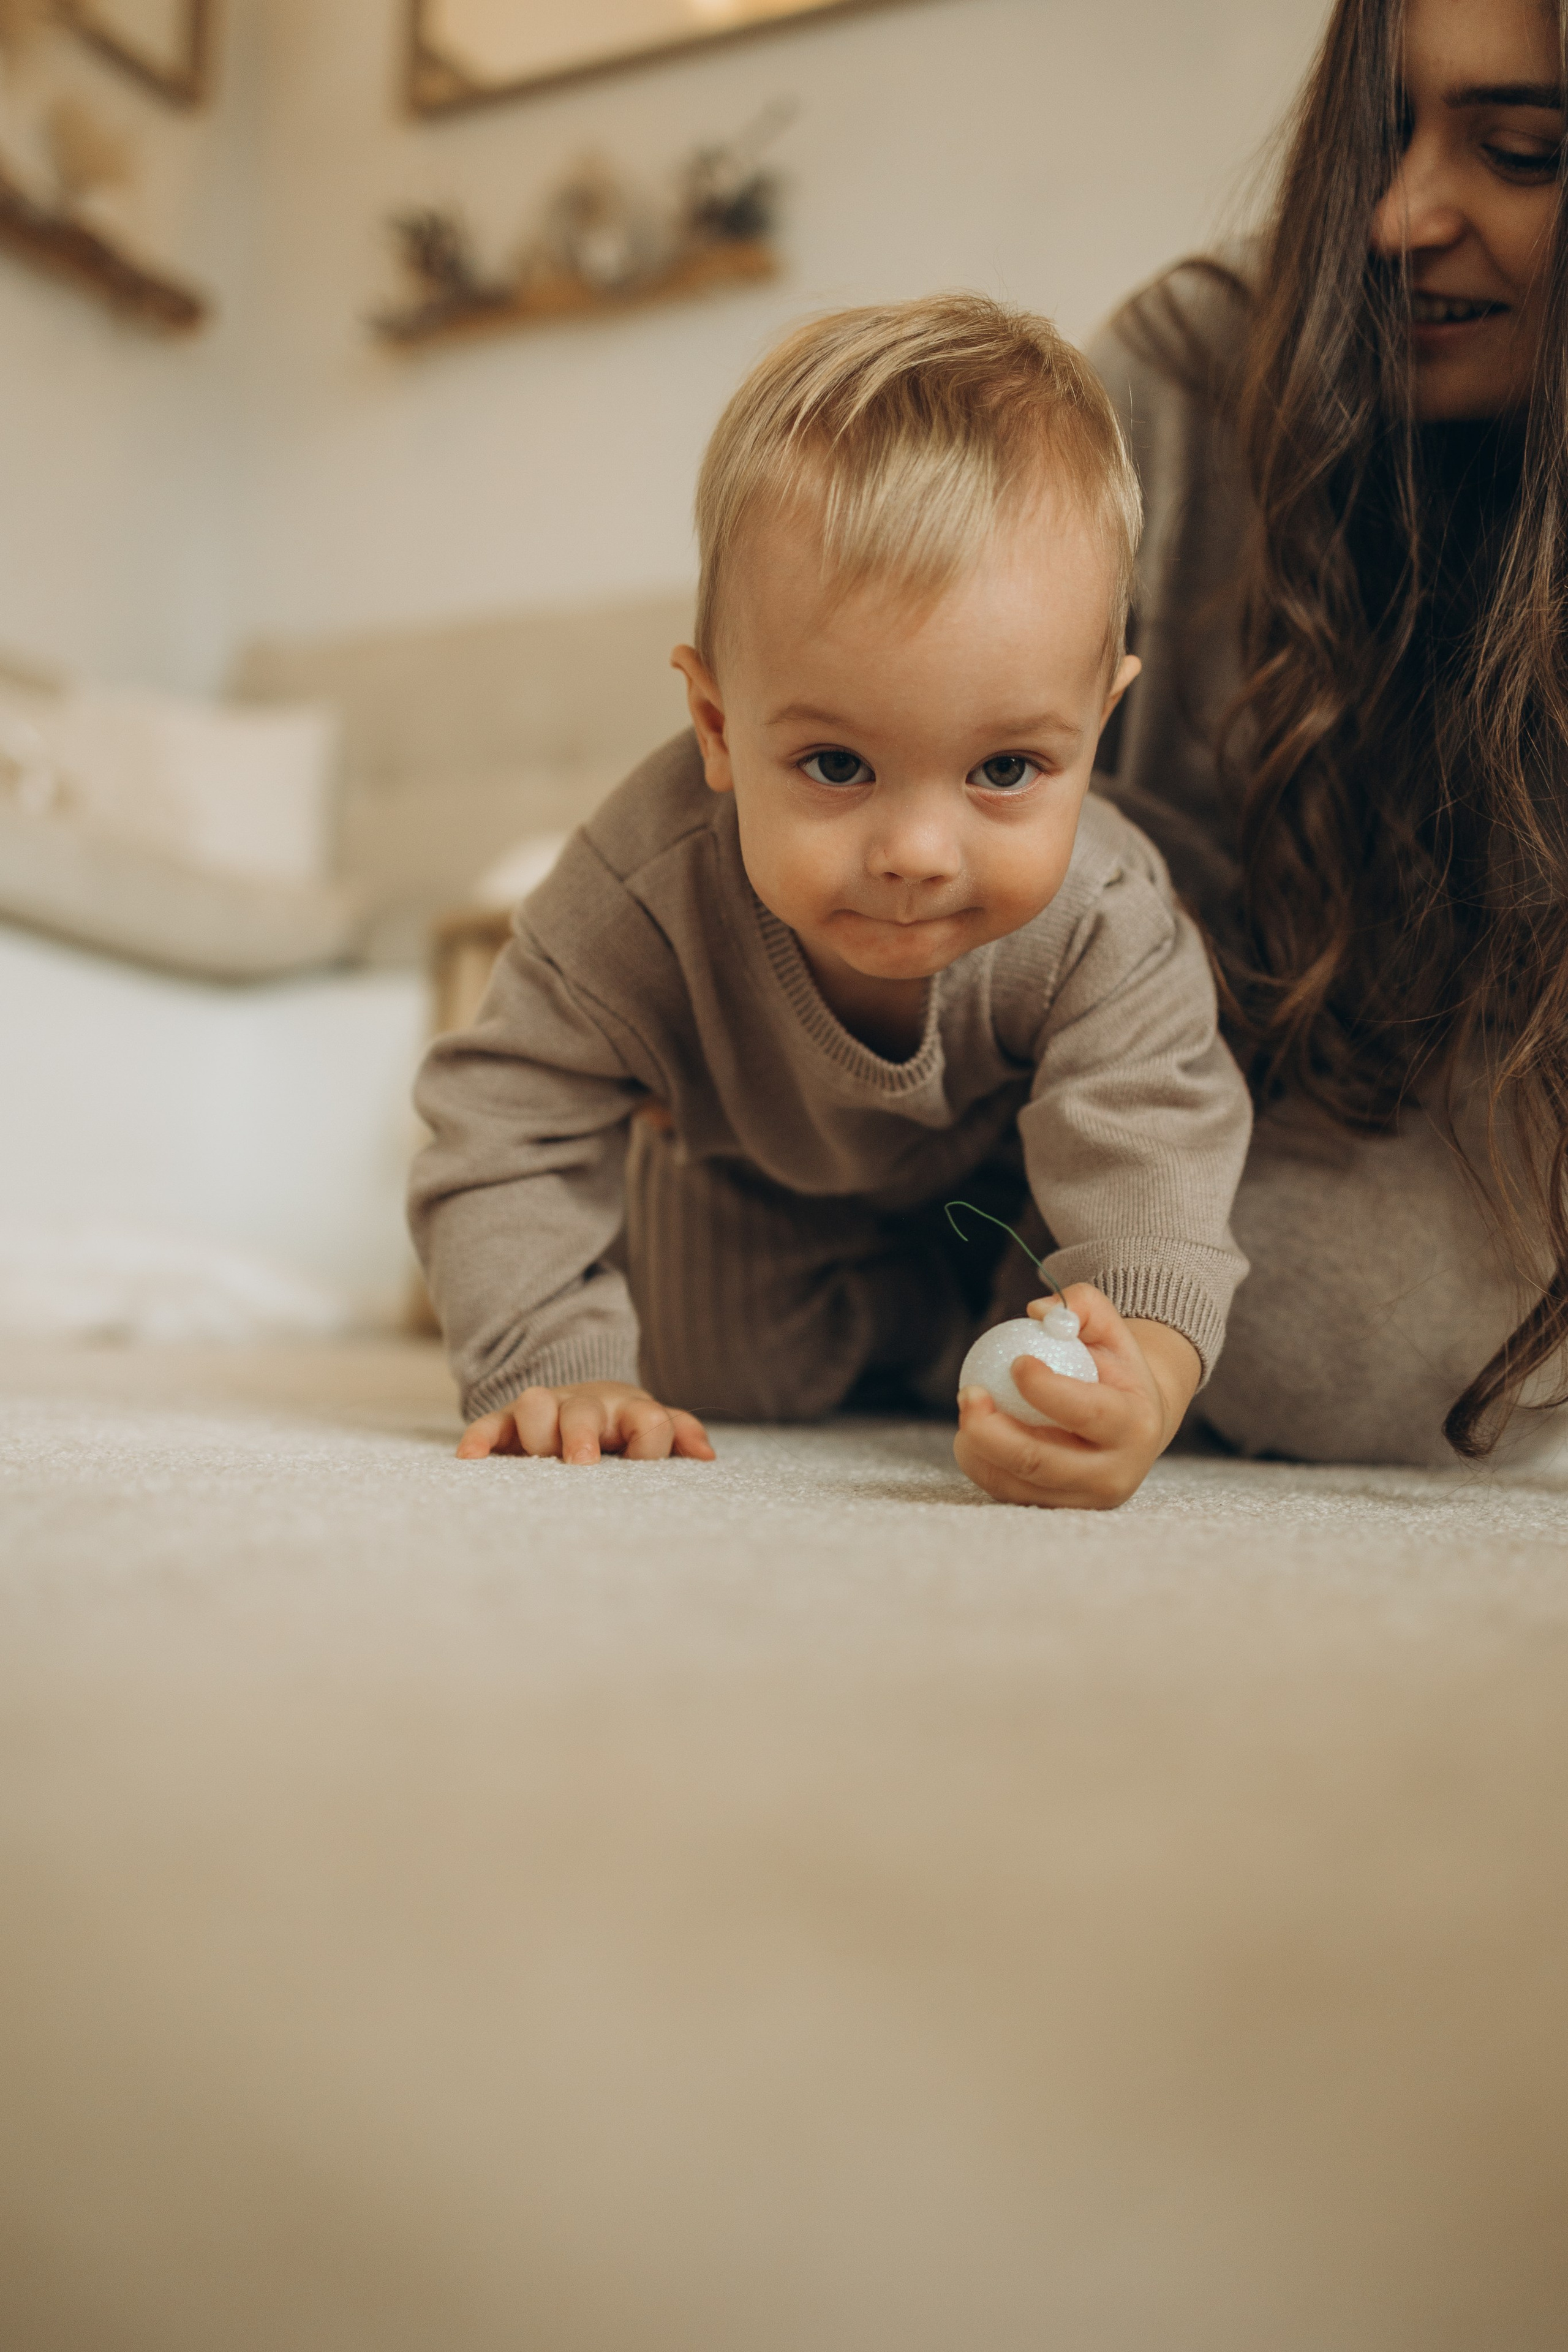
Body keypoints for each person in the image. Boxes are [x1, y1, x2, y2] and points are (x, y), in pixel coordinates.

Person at [410, 295, 1253, 1509]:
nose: (917, 853)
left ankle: (946, 1302)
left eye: (1005, 769)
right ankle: (900, 1313)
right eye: (837, 765)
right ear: (716, 725)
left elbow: (1153, 1146)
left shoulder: (1105, 914)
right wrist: (549, 1363)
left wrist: (1146, 1373)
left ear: (1098, 724)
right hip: (755, 1178)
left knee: (1106, 1280)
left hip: (1002, 1190)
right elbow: (503, 1113)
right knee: (718, 1371)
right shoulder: (641, 890)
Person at [1089, 0, 1568, 1471]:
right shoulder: (1180, 378)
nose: (1396, 218)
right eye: (1373, 136)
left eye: (1518, 151)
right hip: (1073, 1162)